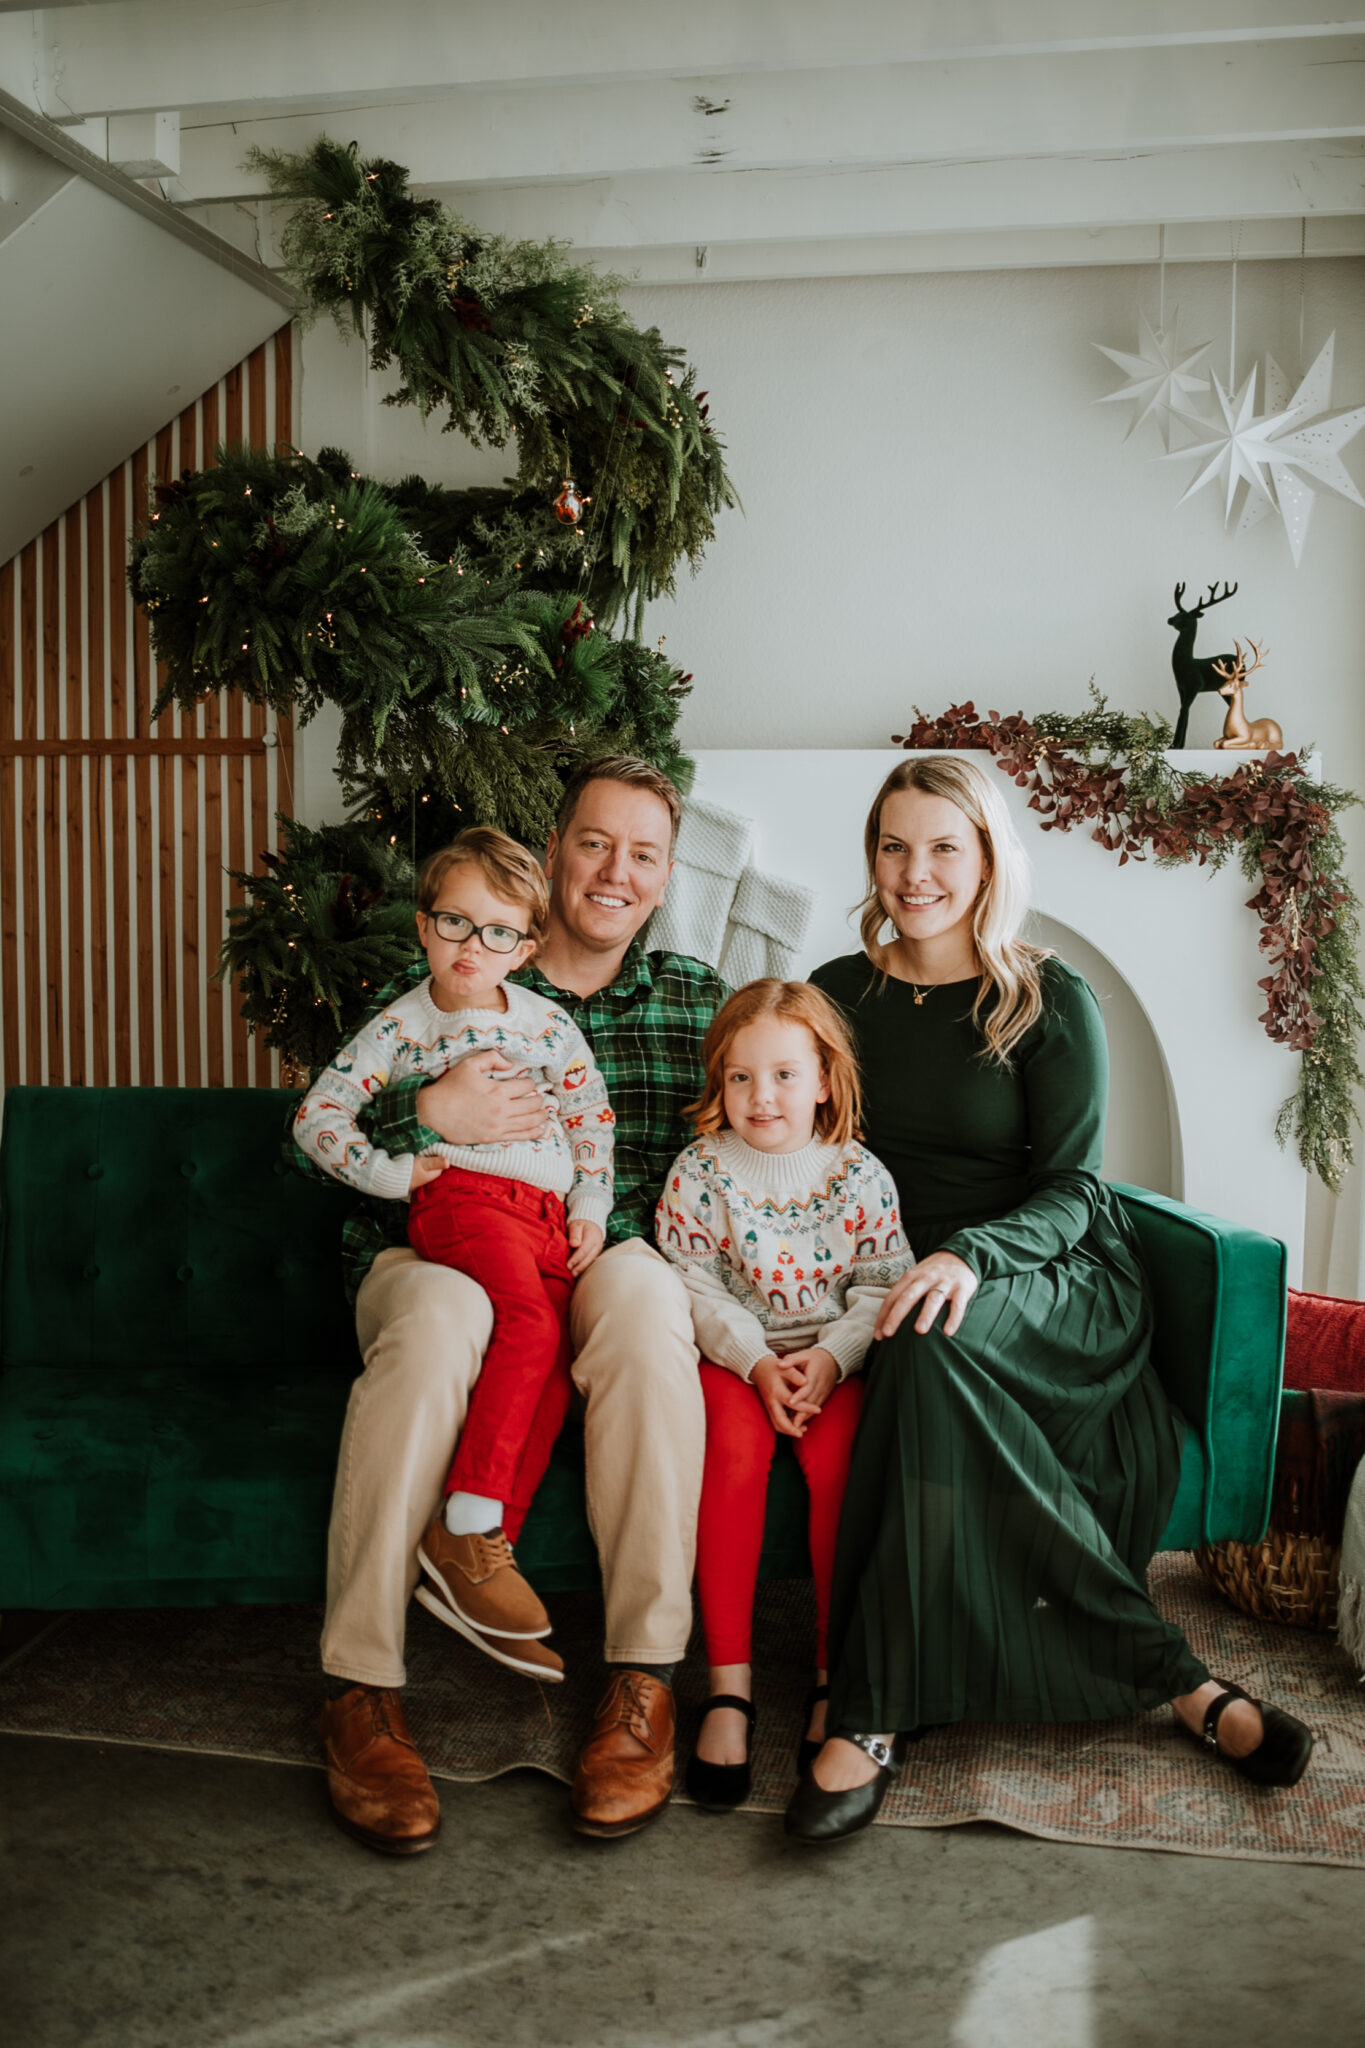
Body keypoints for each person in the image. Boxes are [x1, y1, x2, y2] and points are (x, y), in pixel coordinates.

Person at [784, 754, 1314, 1845]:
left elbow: (1076, 1184)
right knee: (919, 1333)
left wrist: (973, 1256)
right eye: (895, 845)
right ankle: (1176, 1681)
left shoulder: (1046, 992)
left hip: (1051, 1269)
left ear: (986, 858)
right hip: (901, 1271)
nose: (916, 871)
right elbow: (806, 1146)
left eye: (944, 846)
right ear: (871, 857)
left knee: (928, 1334)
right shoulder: (837, 990)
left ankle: (870, 1712)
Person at [310, 758, 729, 1854]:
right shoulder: (438, 978)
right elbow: (321, 1138)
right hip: (430, 1240)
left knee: (646, 1309)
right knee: (447, 1319)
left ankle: (642, 1681)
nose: (614, 870)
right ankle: (360, 1687)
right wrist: (424, 1111)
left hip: (595, 1247)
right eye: (594, 841)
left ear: (665, 875)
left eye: (642, 853)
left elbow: (748, 1156)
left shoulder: (693, 999)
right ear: (552, 853)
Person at [295, 827, 616, 1685]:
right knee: (523, 1325)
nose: (475, 947)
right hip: (463, 1204)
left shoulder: (550, 1027)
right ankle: (465, 1525)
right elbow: (316, 1118)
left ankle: (479, 1548)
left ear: (530, 943)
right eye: (455, 923)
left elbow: (593, 1125)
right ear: (423, 926)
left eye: (500, 931)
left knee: (553, 1359)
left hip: (545, 1216)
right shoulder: (402, 1026)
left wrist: (590, 1204)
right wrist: (393, 1173)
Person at [656, 979, 915, 1810]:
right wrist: (752, 1360)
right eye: (739, 1078)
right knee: (726, 1458)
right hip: (738, 1361)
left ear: (824, 1080)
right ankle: (728, 1687)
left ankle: (835, 1678)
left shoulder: (859, 1175)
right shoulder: (700, 1171)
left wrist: (834, 1360)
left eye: (782, 1076)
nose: (760, 1097)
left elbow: (885, 1283)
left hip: (835, 1363)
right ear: (718, 1083)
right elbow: (688, 1280)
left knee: (842, 1465)